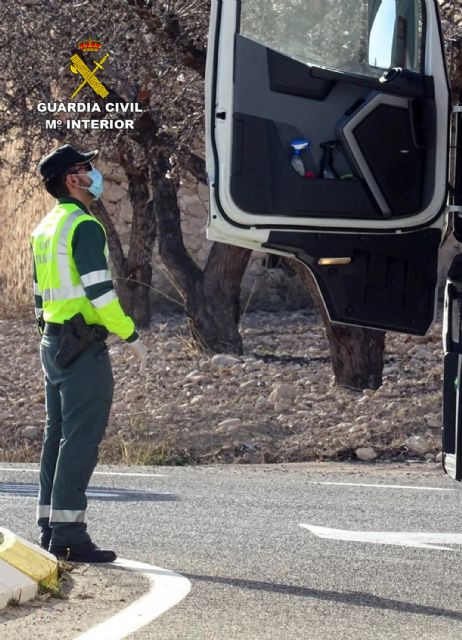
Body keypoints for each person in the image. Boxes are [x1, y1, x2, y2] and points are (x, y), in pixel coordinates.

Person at [31, 144, 147, 563]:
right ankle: (69, 535)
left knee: (56, 436)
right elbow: (100, 293)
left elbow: (39, 295)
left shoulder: (46, 227)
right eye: (86, 167)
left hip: (54, 343)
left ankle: (49, 528)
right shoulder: (84, 226)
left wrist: (49, 335)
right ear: (71, 179)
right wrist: (131, 335)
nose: (94, 172)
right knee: (80, 439)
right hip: (81, 348)